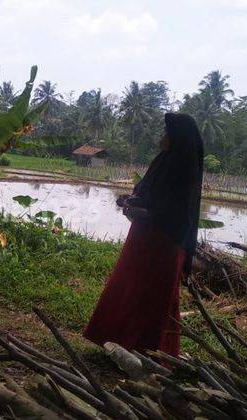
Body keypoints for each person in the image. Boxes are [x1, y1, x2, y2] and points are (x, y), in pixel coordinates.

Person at [83, 113, 203, 358]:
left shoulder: (185, 171)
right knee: (127, 288)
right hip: (142, 239)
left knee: (156, 298)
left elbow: (176, 214)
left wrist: (145, 212)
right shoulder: (161, 162)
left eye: (166, 133)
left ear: (178, 138)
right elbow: (147, 195)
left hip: (165, 244)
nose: (162, 137)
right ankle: (116, 340)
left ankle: (151, 352)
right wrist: (131, 201)